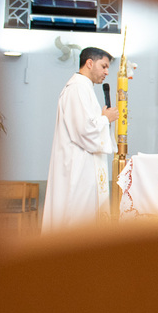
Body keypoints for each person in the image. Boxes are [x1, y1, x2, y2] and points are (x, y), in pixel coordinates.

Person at [42, 47, 118, 232]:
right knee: (75, 222)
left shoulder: (84, 88)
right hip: (77, 171)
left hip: (84, 168)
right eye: (104, 66)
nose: (107, 72)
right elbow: (83, 130)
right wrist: (105, 119)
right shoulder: (77, 88)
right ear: (89, 63)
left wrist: (101, 119)